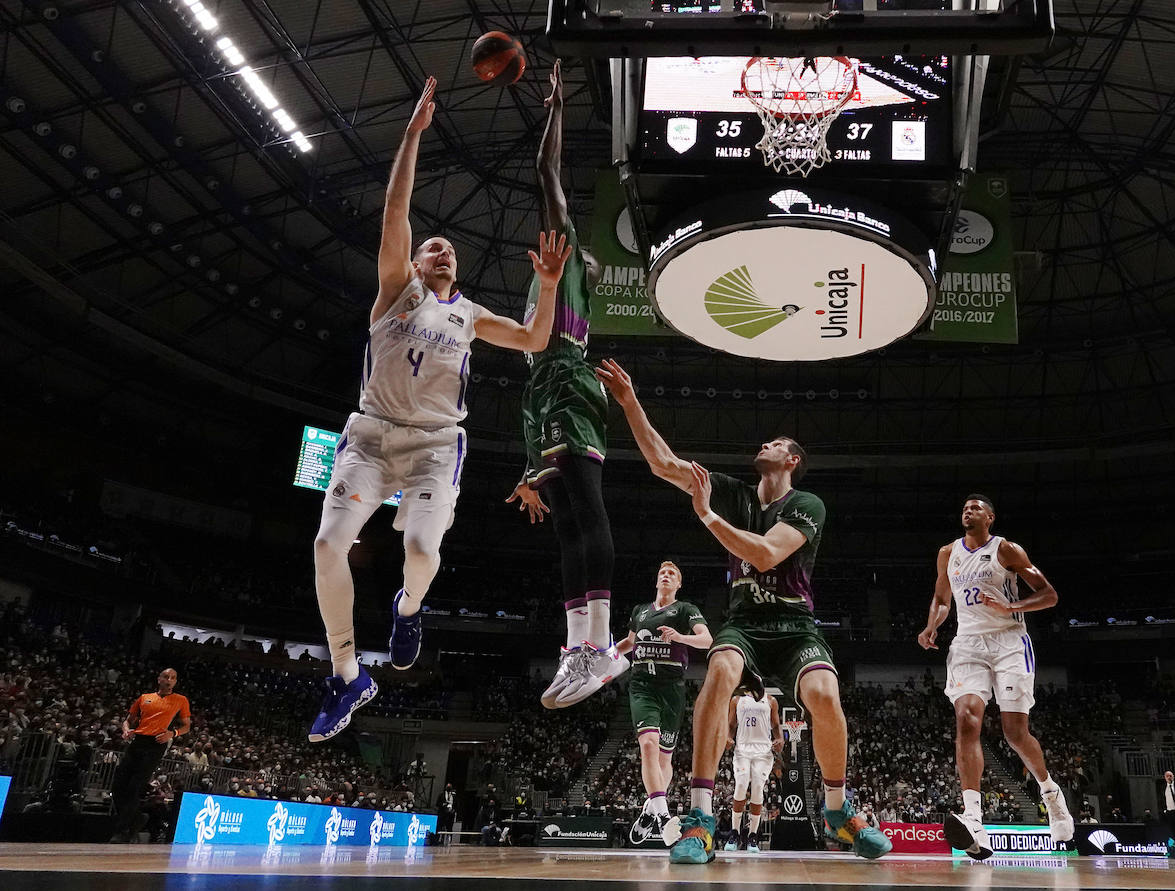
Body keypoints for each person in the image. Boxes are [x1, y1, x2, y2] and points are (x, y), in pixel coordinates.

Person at [309, 75, 573, 742]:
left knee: (423, 547)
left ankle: (409, 606)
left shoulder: (472, 315)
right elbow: (396, 211)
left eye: (448, 249)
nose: (443, 249)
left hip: (432, 444)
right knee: (326, 543)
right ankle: (346, 672)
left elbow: (537, 339)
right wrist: (411, 136)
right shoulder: (396, 290)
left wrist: (545, 287)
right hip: (369, 437)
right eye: (433, 246)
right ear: (415, 262)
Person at [595, 358, 891, 864]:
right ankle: (701, 816)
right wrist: (629, 401)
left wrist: (707, 516)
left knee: (824, 692)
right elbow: (664, 464)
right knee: (718, 673)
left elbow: (766, 554)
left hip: (794, 624)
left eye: (775, 444)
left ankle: (838, 811)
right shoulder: (732, 493)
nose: (764, 446)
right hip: (745, 624)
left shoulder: (808, 505)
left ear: (793, 460)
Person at [503, 60, 620, 710]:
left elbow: (545, 175)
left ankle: (599, 646)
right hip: (543, 394)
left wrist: (555, 109)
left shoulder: (564, 250)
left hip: (571, 383)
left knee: (586, 509)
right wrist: (525, 464)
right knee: (566, 527)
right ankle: (578, 648)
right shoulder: (543, 285)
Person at [917, 495, 1074, 860]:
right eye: (964, 508)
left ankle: (1050, 794)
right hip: (968, 643)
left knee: (1014, 732)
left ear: (990, 517)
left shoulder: (1007, 550)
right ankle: (974, 819)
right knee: (966, 718)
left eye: (975, 508)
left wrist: (1012, 606)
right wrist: (931, 627)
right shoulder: (947, 553)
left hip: (1008, 642)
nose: (967, 511)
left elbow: (1049, 596)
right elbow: (942, 600)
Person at [616, 561, 712, 845]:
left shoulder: (685, 609)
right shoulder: (640, 611)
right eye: (662, 573)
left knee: (665, 759)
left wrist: (679, 636)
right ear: (657, 581)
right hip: (642, 685)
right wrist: (601, 654)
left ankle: (649, 809)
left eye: (672, 574)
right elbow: (629, 644)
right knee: (648, 745)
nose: (666, 575)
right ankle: (662, 816)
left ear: (678, 584)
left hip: (671, 688)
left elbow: (706, 640)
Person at [109, 668, 191, 842]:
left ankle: (121, 831)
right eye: (166, 677)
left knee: (135, 787)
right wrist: (126, 730)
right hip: (138, 741)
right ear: (159, 679)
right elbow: (128, 720)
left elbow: (186, 726)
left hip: (156, 744)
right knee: (117, 786)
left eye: (173, 678)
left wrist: (173, 733)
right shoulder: (144, 697)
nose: (169, 680)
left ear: (175, 682)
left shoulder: (180, 700)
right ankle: (137, 817)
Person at [722, 672, 782, 853]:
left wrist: (780, 739)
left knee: (757, 788)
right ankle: (734, 833)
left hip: (763, 752)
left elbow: (776, 725)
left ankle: (753, 836)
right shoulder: (736, 700)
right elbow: (731, 724)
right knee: (740, 785)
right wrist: (727, 737)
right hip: (742, 750)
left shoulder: (770, 700)